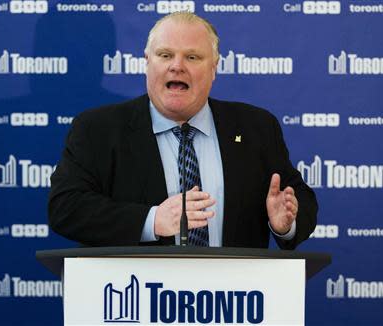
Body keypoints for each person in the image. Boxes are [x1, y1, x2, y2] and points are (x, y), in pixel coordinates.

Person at [48, 12, 317, 249]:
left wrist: (284, 224)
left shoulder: (256, 127)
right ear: (147, 62)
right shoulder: (98, 129)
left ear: (214, 69)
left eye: (192, 56)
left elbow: (296, 198)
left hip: (232, 299)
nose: (177, 66)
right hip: (138, 297)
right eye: (165, 55)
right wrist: (152, 220)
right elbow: (66, 207)